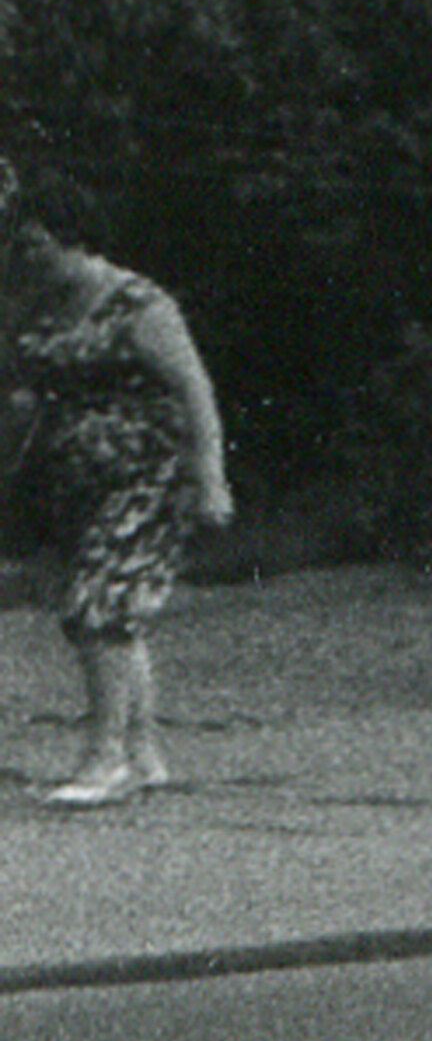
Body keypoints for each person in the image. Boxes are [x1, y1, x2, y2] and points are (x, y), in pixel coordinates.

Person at [0, 166, 236, 806]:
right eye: (15, 244)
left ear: (73, 236)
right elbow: (23, 388)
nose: (22, 255)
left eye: (33, 242)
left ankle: (103, 758)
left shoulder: (138, 304)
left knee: (99, 606)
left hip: (149, 477)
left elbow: (195, 391)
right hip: (74, 482)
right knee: (102, 620)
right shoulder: (37, 307)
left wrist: (210, 476)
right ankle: (143, 752)